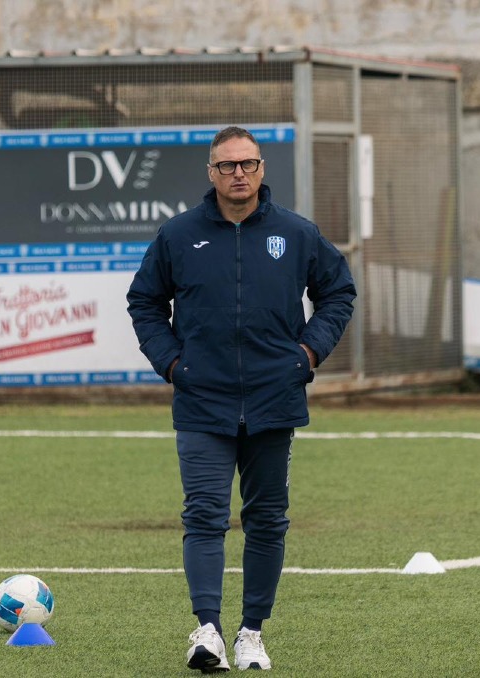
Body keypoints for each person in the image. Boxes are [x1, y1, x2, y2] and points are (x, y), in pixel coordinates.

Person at [126, 126, 356, 672]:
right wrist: (173, 364)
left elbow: (338, 292)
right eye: (226, 165)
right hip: (203, 402)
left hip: (274, 400)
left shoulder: (296, 234)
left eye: (247, 164)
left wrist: (308, 355)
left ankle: (252, 633)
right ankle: (207, 632)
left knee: (268, 519)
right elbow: (144, 302)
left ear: (261, 170)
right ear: (210, 172)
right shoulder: (178, 235)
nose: (237, 174)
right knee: (204, 515)